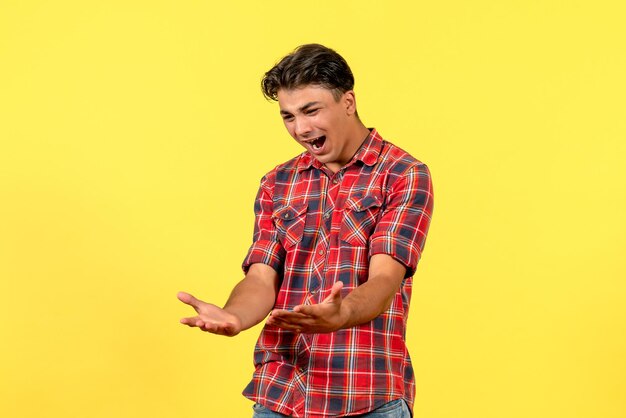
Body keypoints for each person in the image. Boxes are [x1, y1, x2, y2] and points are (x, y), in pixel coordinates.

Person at [178, 44, 434, 418]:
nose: (300, 128)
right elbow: (262, 278)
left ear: (348, 102)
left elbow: (385, 280)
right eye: (288, 116)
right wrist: (234, 316)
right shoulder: (276, 182)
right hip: (281, 393)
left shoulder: (403, 174)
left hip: (364, 395)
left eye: (311, 111)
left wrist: (342, 312)